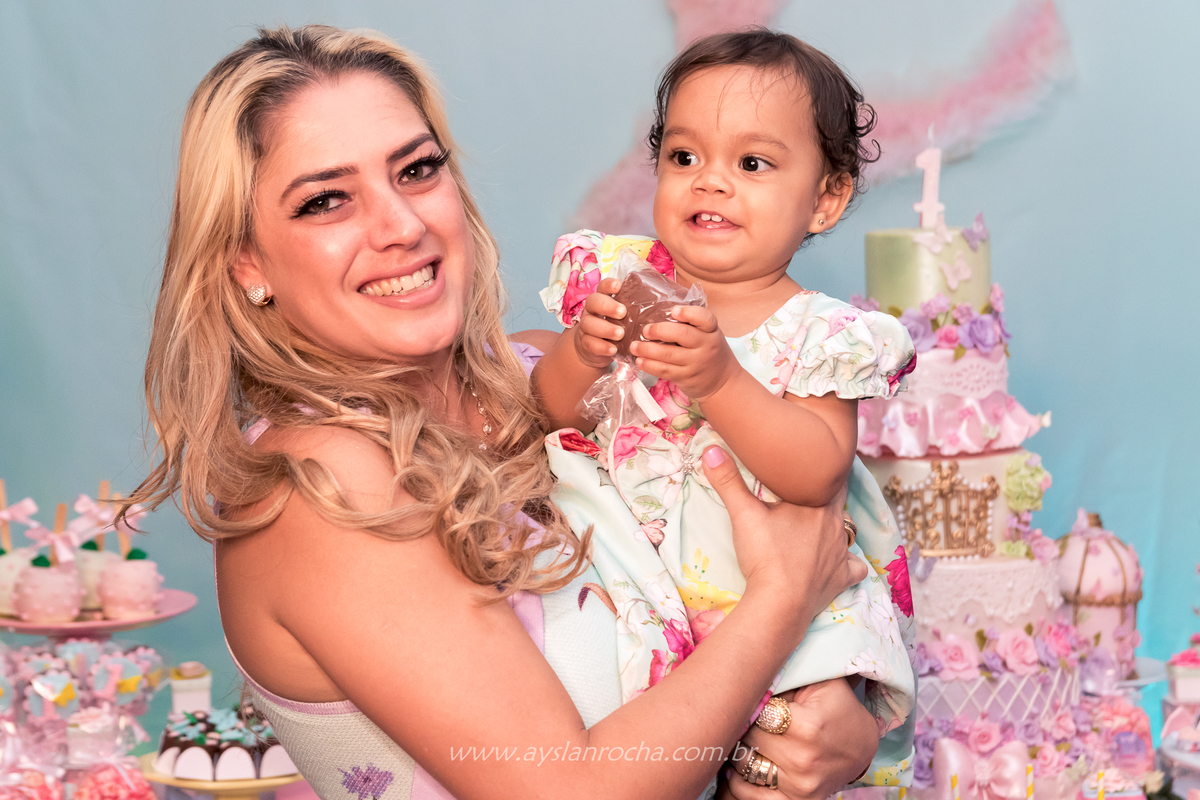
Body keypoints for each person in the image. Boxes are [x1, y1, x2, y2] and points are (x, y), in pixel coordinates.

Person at [126, 24, 881, 800]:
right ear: (247, 261)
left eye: (416, 170)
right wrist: (781, 605)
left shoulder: (554, 376)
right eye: (326, 201)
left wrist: (835, 730)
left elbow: (787, 530)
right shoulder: (320, 484)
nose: (403, 225)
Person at [534, 30, 918, 784]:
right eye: (684, 157)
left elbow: (816, 471)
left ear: (825, 198)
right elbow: (550, 416)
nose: (709, 182)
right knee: (637, 742)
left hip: (760, 586)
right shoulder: (620, 280)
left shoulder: (818, 334)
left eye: (752, 164)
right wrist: (582, 351)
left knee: (775, 756)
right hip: (631, 570)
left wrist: (721, 380)